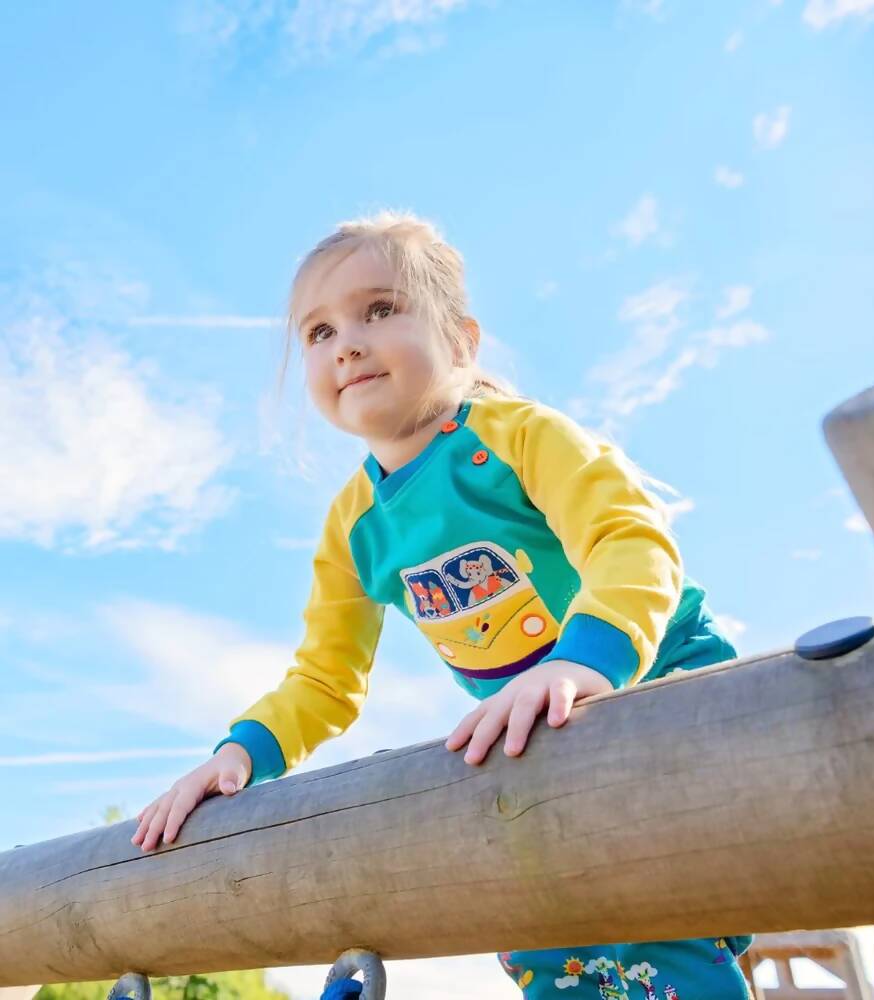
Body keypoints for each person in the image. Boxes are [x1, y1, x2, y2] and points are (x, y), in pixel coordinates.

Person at [131, 210, 753, 999]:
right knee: (544, 938)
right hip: (542, 737)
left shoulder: (517, 435)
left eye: (379, 311)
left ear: (461, 340)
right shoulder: (354, 525)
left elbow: (630, 541)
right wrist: (237, 755)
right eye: (318, 332)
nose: (346, 343)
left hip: (660, 682)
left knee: (661, 929)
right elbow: (326, 678)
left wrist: (583, 660)